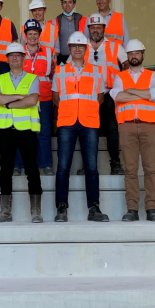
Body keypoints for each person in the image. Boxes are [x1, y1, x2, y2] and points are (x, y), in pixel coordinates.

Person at [53, 31, 109, 223]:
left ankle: (94, 207)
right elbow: (55, 96)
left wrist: (88, 109)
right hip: (66, 122)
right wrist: (68, 109)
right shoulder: (60, 70)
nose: (77, 49)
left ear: (86, 49)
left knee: (92, 167)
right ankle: (61, 207)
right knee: (63, 167)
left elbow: (100, 96)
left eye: (81, 46)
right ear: (69, 49)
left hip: (90, 121)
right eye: (74, 46)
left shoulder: (96, 70)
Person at [110, 39, 155, 222]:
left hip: (149, 125)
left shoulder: (152, 75)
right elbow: (118, 96)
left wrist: (130, 91)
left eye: (137, 53)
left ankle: (151, 208)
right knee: (130, 169)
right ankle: (132, 209)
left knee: (150, 168)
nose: (134, 56)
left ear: (142, 55)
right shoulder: (120, 77)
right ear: (127, 56)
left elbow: (153, 94)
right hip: (126, 125)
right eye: (131, 53)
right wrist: (141, 93)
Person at [0, 42, 43, 223]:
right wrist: (19, 97)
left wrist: (7, 103)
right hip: (6, 129)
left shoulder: (33, 78)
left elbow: (32, 100)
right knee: (5, 170)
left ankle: (36, 211)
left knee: (32, 169)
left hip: (27, 130)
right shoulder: (0, 78)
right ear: (7, 59)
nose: (14, 58)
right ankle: (5, 212)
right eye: (11, 55)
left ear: (23, 58)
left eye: (18, 55)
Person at [85, 13, 127, 176]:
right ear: (89, 29)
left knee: (111, 128)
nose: (95, 30)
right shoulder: (81, 46)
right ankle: (88, 165)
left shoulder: (115, 46)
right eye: (93, 27)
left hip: (109, 93)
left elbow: (126, 64)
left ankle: (115, 163)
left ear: (104, 29)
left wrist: (123, 82)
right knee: (89, 130)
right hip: (89, 95)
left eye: (98, 27)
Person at [14, 19, 54, 176]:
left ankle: (46, 164)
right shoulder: (18, 53)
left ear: (39, 34)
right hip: (22, 100)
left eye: (35, 33)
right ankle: (18, 165)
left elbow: (53, 75)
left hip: (44, 98)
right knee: (21, 132)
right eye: (29, 33)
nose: (32, 36)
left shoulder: (49, 52)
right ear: (25, 35)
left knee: (44, 133)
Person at [55, 0, 86, 64]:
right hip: (61, 60)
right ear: (62, 5)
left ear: (74, 4)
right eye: (65, 2)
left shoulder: (82, 20)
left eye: (70, 2)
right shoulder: (56, 21)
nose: (67, 5)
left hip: (78, 59)